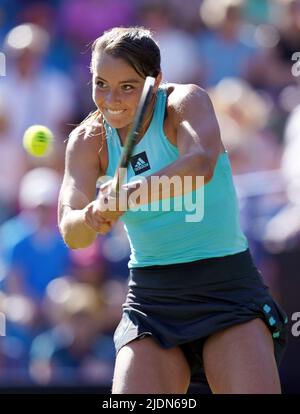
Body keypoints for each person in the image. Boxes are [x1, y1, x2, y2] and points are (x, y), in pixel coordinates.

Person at [58, 27, 288, 394]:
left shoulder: (186, 101)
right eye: (100, 83)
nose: (111, 99)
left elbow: (200, 164)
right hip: (152, 303)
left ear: (156, 81)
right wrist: (90, 216)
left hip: (227, 289)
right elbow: (70, 230)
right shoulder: (87, 142)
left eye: (127, 86)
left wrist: (129, 195)